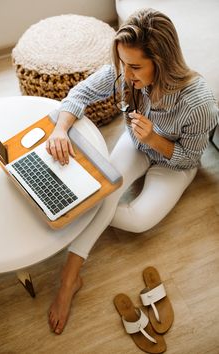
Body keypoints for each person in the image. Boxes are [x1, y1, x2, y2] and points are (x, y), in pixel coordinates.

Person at [46, 8, 218, 334]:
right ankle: (70, 278)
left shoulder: (200, 104)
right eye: (123, 64)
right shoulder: (124, 71)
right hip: (137, 147)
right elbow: (79, 94)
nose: (126, 74)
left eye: (136, 67)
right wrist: (60, 130)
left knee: (135, 219)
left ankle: (80, 208)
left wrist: (155, 138)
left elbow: (190, 159)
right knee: (104, 191)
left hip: (173, 165)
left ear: (162, 62)